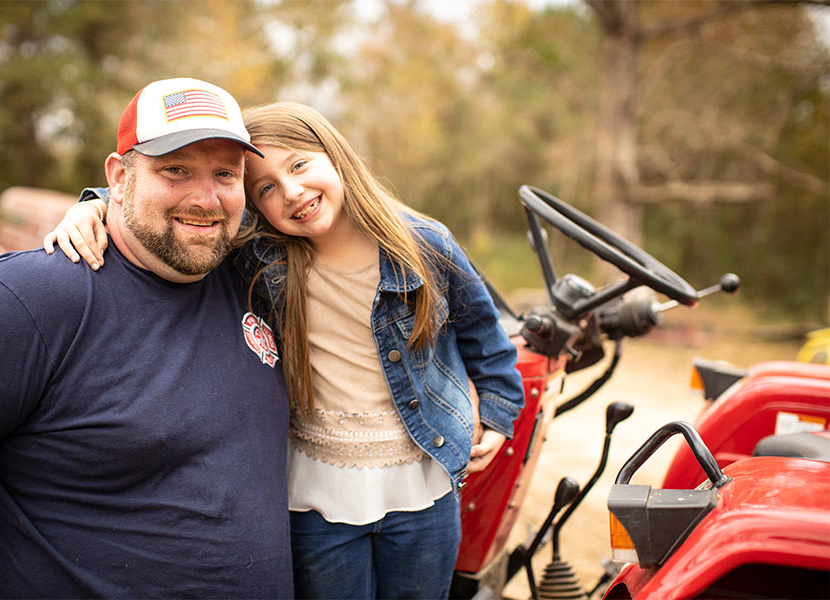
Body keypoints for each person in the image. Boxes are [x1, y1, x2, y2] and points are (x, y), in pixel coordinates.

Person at [44, 102, 525, 599]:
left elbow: (485, 338)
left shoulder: (422, 245)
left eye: (299, 165)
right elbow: (178, 210)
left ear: (336, 157)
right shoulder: (262, 253)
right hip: (315, 491)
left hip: (423, 480)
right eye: (266, 189)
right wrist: (94, 205)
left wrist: (497, 410)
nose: (292, 192)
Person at [0, 77, 294, 599]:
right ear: (119, 178)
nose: (206, 197)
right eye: (176, 170)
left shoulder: (257, 280)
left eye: (225, 173)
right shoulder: (30, 298)